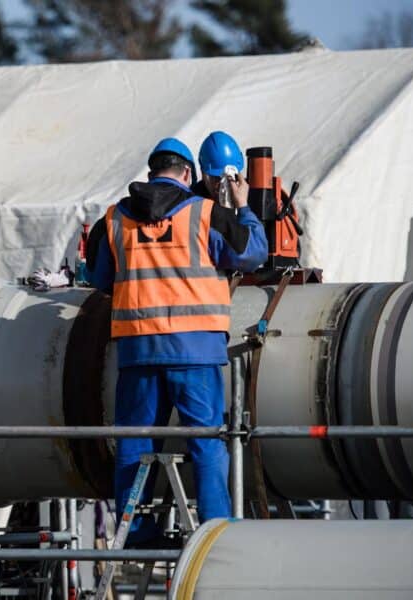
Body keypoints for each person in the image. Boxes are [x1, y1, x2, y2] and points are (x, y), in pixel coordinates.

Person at [85, 137, 268, 544]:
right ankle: (214, 534)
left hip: (137, 350)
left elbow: (97, 280)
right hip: (195, 349)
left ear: (152, 171)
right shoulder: (207, 213)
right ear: (188, 174)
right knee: (205, 443)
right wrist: (243, 206)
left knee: (134, 442)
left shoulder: (113, 219)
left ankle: (135, 531)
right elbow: (255, 253)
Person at [193, 131, 244, 204]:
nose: (224, 185)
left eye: (231, 177)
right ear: (203, 174)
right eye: (217, 178)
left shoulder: (250, 198)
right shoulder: (193, 203)